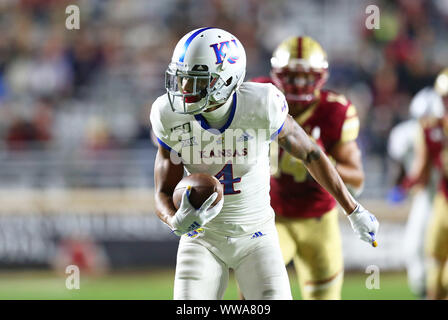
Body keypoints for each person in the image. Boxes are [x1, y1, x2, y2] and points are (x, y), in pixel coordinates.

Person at [149, 27, 379, 300]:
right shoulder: (168, 113)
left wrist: (353, 210)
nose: (184, 89)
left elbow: (311, 154)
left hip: (256, 236)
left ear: (226, 79)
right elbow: (163, 191)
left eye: (197, 80)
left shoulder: (261, 104)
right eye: (182, 78)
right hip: (201, 238)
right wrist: (176, 221)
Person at [247, 36, 364, 299]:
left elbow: (357, 178)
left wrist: (322, 161)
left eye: (305, 77)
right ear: (276, 74)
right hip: (270, 217)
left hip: (319, 220)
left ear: (320, 76)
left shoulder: (334, 110)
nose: (299, 85)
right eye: (292, 76)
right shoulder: (258, 96)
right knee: (256, 292)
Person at [387, 85, 443, 298]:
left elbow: (421, 172)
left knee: (420, 248)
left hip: (436, 196)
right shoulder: (409, 134)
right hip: (427, 197)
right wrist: (400, 186)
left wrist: (404, 186)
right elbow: (401, 166)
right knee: (415, 247)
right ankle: (426, 291)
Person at [407, 68, 448, 300]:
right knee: (435, 271)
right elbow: (420, 171)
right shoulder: (431, 129)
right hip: (443, 200)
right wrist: (406, 184)